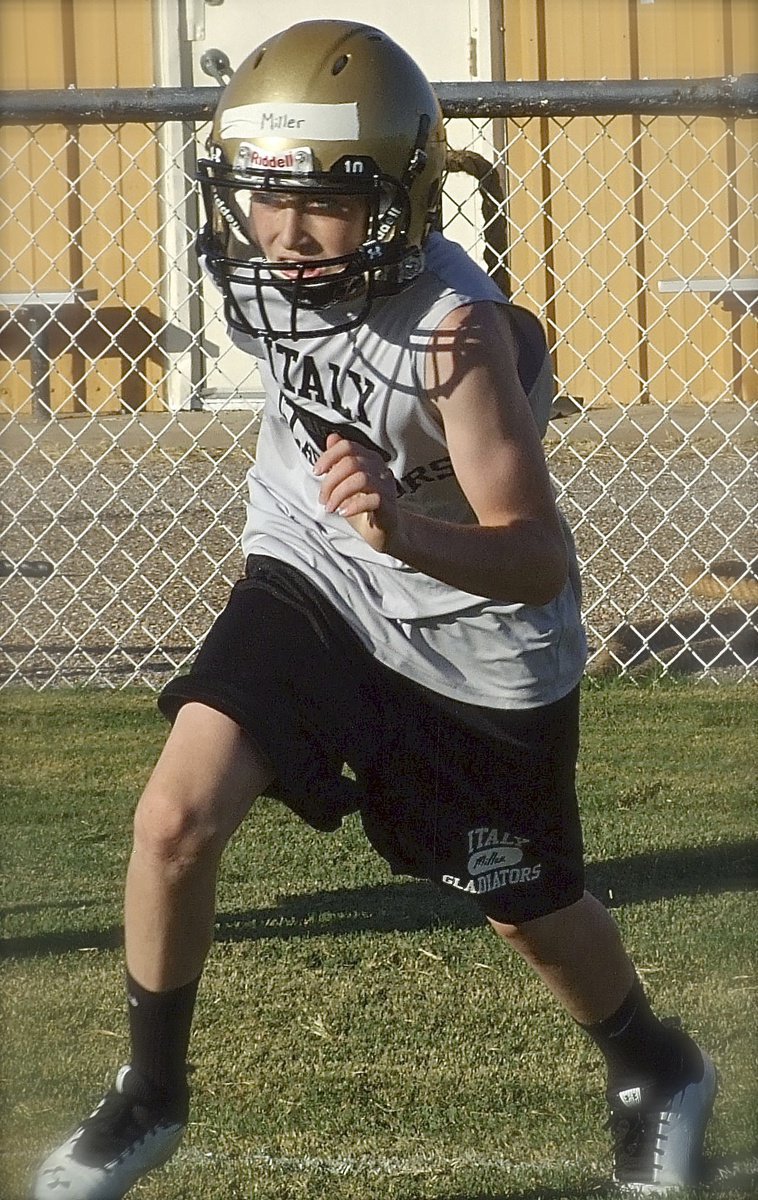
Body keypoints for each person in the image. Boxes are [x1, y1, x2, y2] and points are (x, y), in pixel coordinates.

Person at [32, 19, 716, 1200]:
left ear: (400, 202)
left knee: (526, 906)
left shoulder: (452, 336)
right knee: (173, 821)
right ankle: (149, 1096)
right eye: (264, 198)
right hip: (314, 571)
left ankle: (654, 1070)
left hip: (470, 634)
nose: (288, 236)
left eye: (328, 204)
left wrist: (404, 529)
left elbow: (536, 557)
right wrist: (359, 536)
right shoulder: (264, 275)